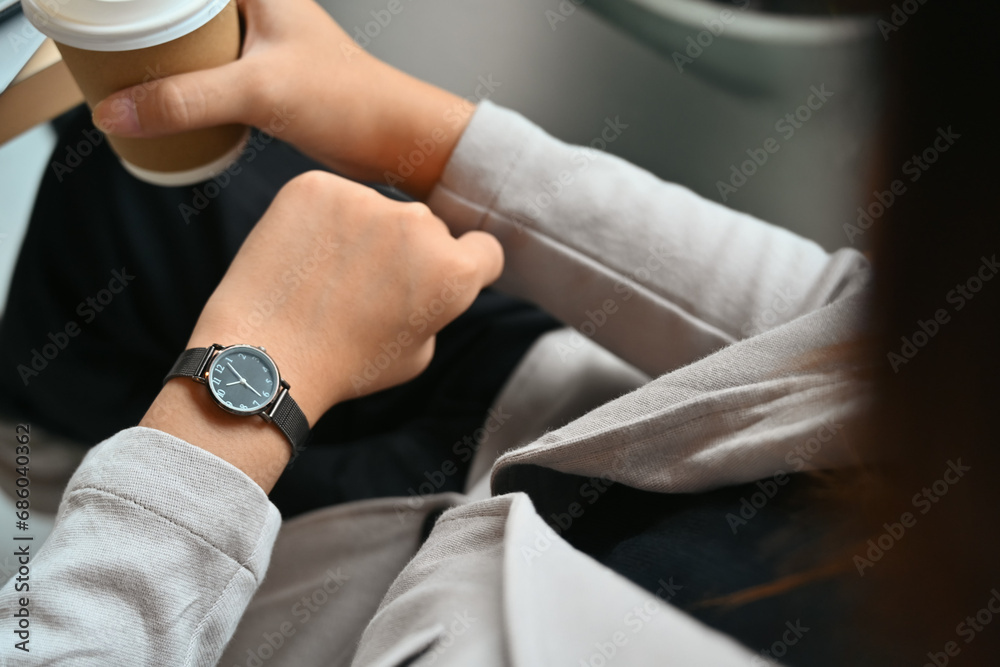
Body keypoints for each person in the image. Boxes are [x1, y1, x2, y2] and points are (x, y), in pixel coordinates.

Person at [1, 0, 995, 664]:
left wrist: (247, 390)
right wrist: (410, 127)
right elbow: (846, 318)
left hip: (291, 610)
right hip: (539, 409)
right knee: (116, 149)